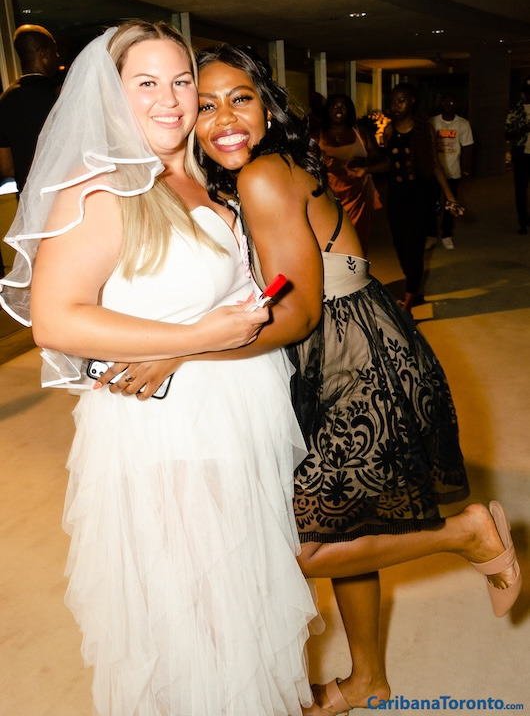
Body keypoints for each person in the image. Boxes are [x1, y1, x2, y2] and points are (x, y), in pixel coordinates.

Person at [99, 44, 521, 716]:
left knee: (292, 549)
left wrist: (179, 352)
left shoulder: (263, 176)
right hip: (353, 345)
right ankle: (368, 679)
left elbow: (296, 315)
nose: (224, 118)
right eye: (205, 105)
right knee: (349, 522)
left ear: (267, 108)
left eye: (240, 98)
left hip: (350, 362)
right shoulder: (260, 172)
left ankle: (465, 534)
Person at [0, 21, 318, 716]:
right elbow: (55, 319)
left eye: (180, 81)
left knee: (243, 606)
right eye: (146, 83)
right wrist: (196, 335)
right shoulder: (101, 190)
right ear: (110, 93)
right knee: (198, 619)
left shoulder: (202, 177)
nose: (170, 100)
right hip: (171, 430)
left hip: (234, 415)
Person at [382, 83, 462, 312]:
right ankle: (415, 289)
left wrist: (450, 197)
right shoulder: (389, 130)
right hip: (396, 197)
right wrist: (364, 169)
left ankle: (409, 300)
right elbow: (389, 163)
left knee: (414, 248)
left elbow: (435, 165)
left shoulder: (423, 130)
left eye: (401, 100)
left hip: (419, 197)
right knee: (400, 246)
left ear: (412, 101)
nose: (396, 106)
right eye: (393, 101)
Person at [318, 94, 383, 256]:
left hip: (359, 195)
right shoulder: (317, 133)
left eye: (343, 106)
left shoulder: (361, 131)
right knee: (330, 239)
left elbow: (378, 157)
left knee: (358, 237)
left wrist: (362, 163)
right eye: (334, 106)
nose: (339, 110)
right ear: (327, 110)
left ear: (350, 110)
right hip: (329, 196)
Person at [0, 24, 60, 194]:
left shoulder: (5, 101)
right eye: (54, 50)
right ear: (43, 53)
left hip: (29, 199)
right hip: (62, 194)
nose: (58, 56)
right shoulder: (61, 94)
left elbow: (6, 168)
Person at [428, 93, 474, 250]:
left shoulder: (463, 124)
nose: (448, 106)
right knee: (432, 204)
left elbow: (467, 147)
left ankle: (446, 234)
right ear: (441, 104)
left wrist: (466, 170)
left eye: (452, 103)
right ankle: (431, 234)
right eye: (446, 103)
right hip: (434, 171)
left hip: (452, 172)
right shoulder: (432, 122)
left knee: (450, 205)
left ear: (457, 105)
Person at [505, 76, 530, 235]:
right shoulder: (515, 110)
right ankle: (523, 221)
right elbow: (507, 134)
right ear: (523, 93)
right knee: (521, 189)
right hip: (521, 153)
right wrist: (524, 129)